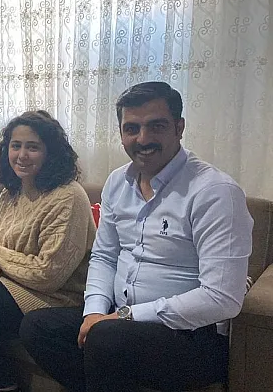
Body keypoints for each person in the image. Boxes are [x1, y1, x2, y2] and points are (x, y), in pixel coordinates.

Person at [21, 82, 254, 392]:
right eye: (131, 128)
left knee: (106, 339)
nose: (143, 139)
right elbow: (104, 256)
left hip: (192, 335)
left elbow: (222, 298)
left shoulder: (215, 193)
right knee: (37, 327)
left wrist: (125, 317)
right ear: (121, 133)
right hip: (118, 320)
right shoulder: (118, 182)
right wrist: (94, 312)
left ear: (179, 128)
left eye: (156, 126)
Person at [0, 111, 95, 392]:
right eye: (15, 145)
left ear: (51, 152)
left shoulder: (68, 196)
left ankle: (4, 384)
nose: (22, 155)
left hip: (57, 298)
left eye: (32, 147)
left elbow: (49, 274)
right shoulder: (11, 192)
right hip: (16, 284)